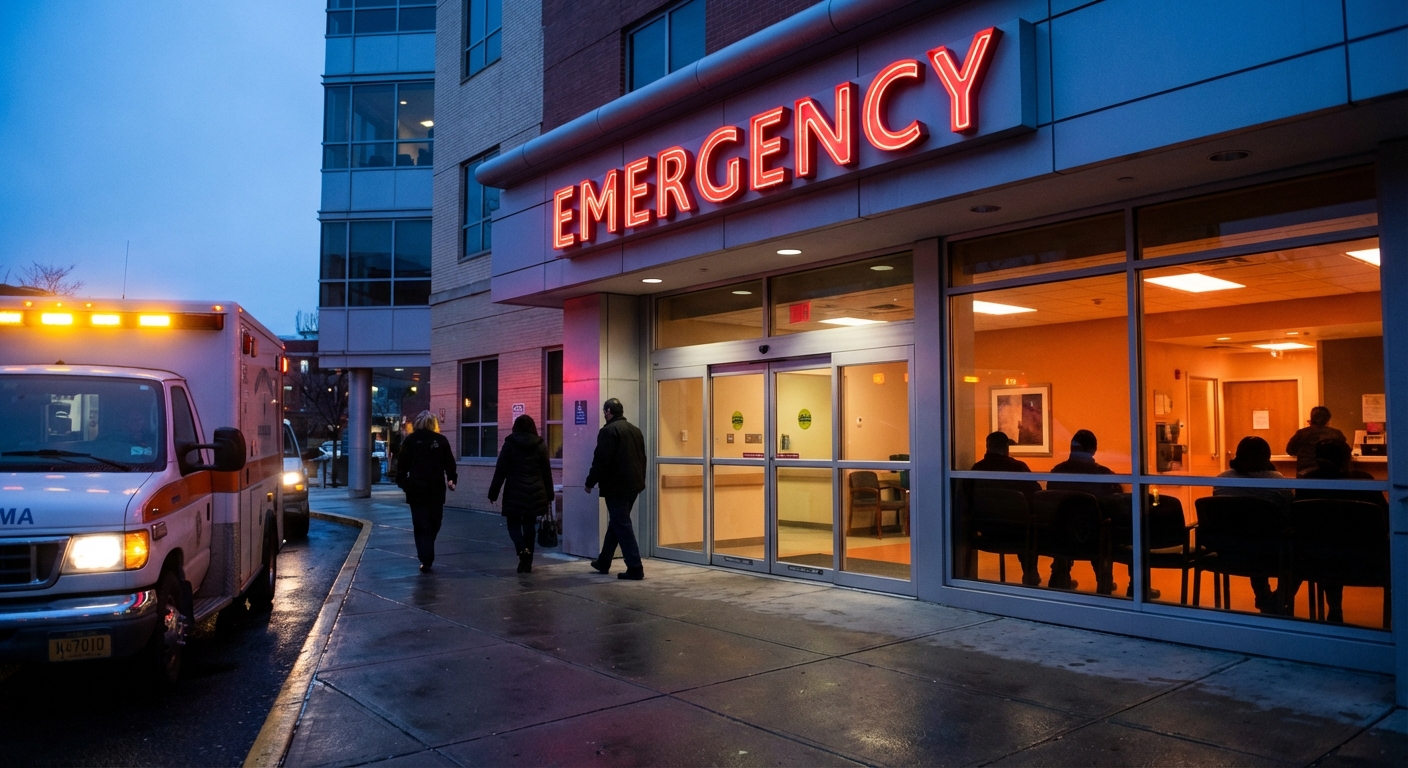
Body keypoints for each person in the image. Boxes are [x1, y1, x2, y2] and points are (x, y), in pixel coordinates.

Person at [1295, 438, 1388, 623]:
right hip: (1367, 558)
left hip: (1319, 558)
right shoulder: (1363, 480)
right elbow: (1384, 517)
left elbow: (1299, 522)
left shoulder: (1308, 482)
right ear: (1347, 457)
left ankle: (1333, 607)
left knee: (1327, 545)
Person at [1213, 435, 1294, 613]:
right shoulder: (1278, 481)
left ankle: (1263, 595)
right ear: (1267, 456)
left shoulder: (1221, 479)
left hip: (1229, 549)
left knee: (1249, 534)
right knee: (1269, 537)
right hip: (1271, 551)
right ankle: (1278, 598)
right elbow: (1289, 513)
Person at [1045, 429, 1123, 592]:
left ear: (1072, 448)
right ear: (1093, 450)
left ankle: (1059, 576)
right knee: (1103, 527)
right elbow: (1115, 504)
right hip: (1095, 537)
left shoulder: (1057, 472)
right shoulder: (1104, 474)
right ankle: (1104, 580)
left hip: (1062, 535)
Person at [967, 431, 1042, 586]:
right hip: (1016, 530)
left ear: (987, 447)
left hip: (987, 529)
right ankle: (1030, 573)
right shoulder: (1018, 468)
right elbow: (1036, 494)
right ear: (1006, 448)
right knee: (1029, 528)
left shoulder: (976, 469)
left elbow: (968, 499)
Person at [585, 398, 647, 580]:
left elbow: (601, 461)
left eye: (605, 411)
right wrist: (640, 480)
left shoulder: (608, 432)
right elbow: (642, 458)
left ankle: (635, 567)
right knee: (617, 523)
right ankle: (603, 562)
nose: (604, 414)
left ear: (609, 412)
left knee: (622, 525)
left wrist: (590, 482)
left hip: (617, 486)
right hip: (633, 485)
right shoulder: (635, 430)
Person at [488, 415, 554, 573]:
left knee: (513, 525)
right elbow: (547, 472)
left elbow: (500, 470)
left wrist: (493, 493)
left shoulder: (510, 444)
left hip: (514, 491)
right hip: (536, 491)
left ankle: (521, 549)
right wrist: (549, 495)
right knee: (529, 526)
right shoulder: (540, 445)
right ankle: (527, 563)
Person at [395, 411, 458, 573]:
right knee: (434, 522)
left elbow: (402, 466)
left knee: (420, 524)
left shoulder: (410, 441)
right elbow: (449, 463)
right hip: (436, 490)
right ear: (433, 424)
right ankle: (427, 553)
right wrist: (452, 479)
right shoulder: (441, 441)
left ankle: (425, 554)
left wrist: (405, 484)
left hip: (416, 490)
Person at [1285, 406, 1347, 477]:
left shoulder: (1301, 433)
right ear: (1328, 420)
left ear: (1311, 419)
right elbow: (1344, 452)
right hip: (1331, 473)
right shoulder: (1337, 434)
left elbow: (1289, 450)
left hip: (1305, 472)